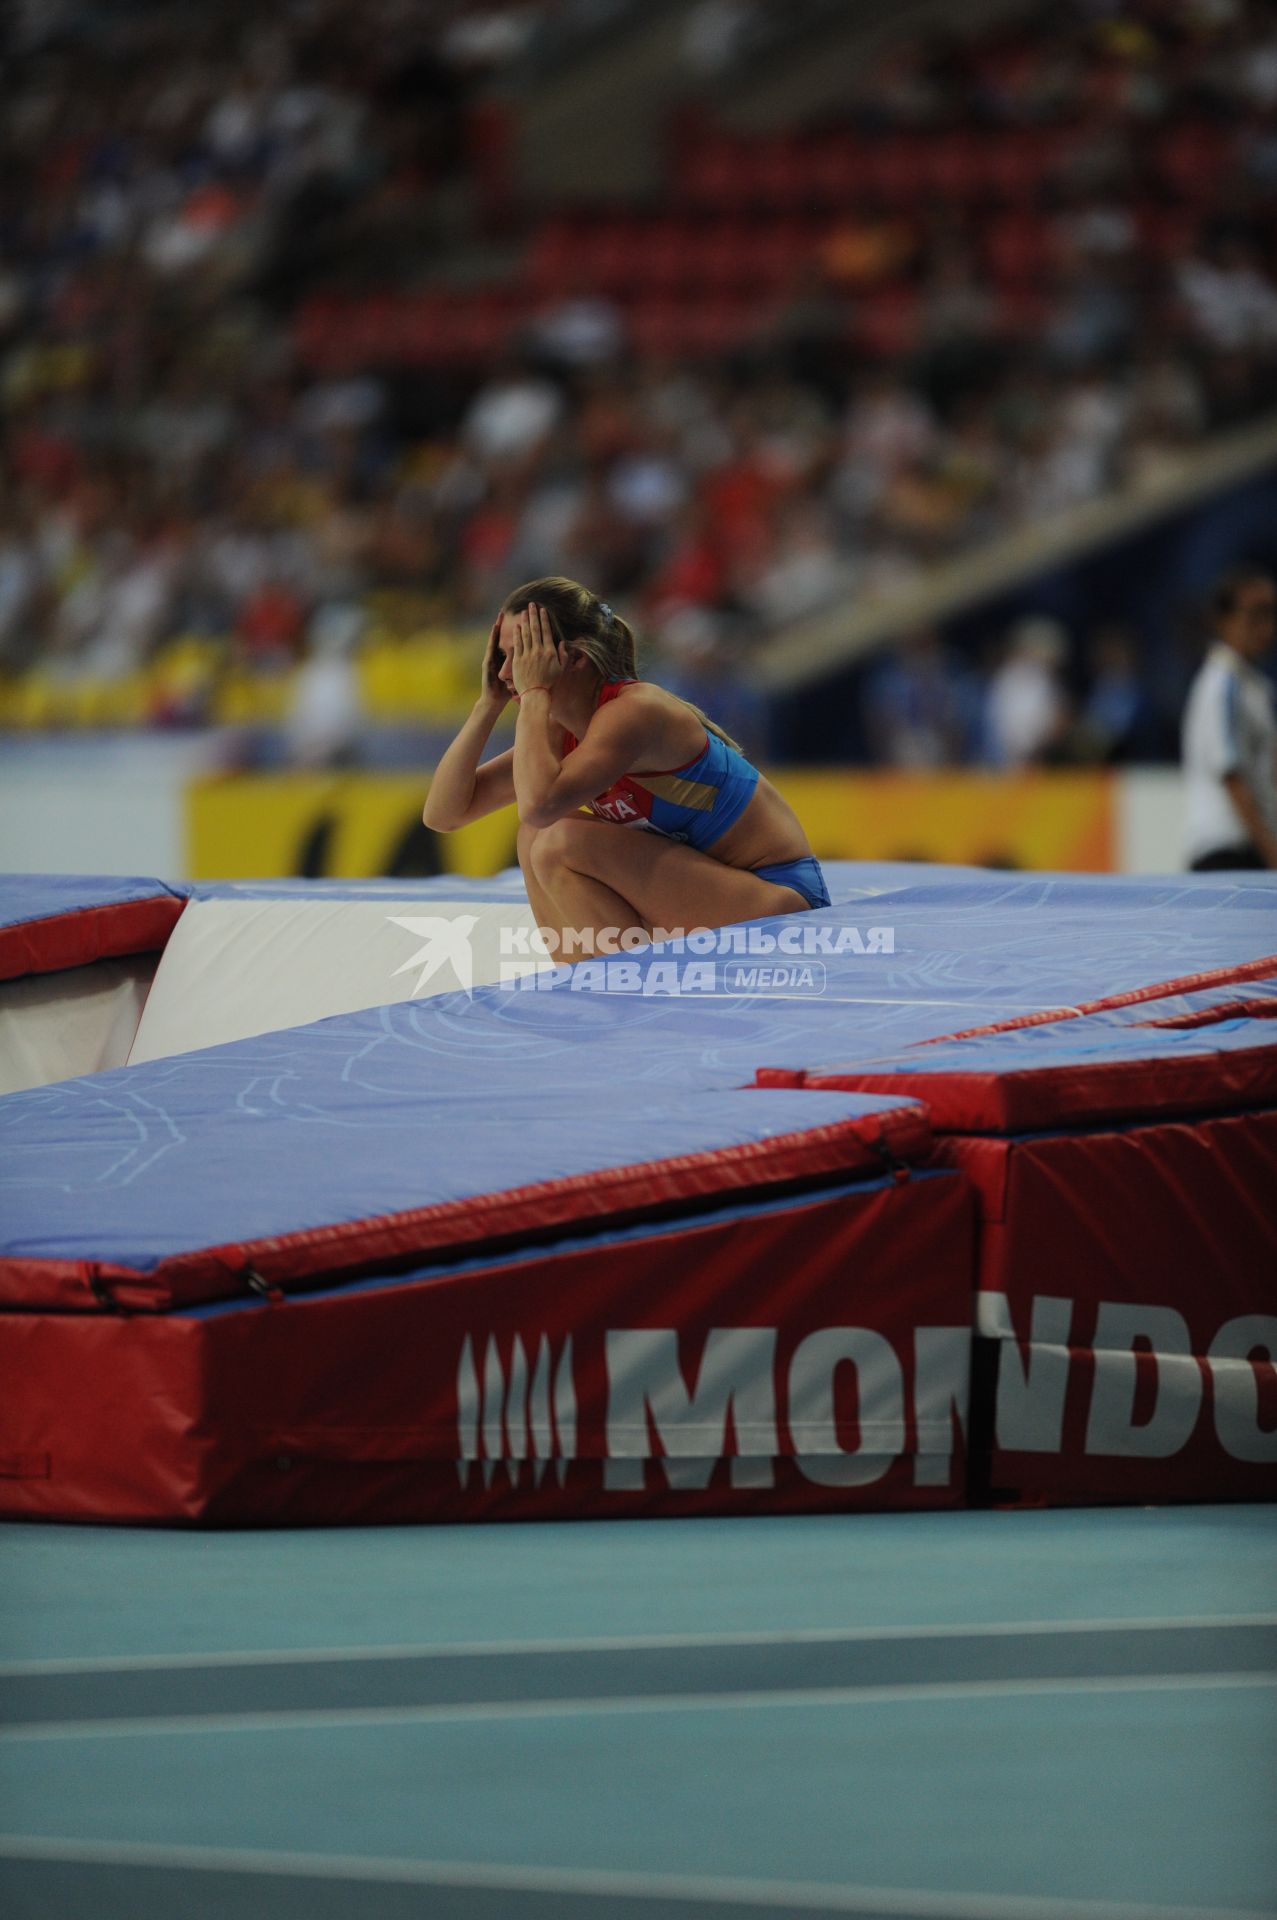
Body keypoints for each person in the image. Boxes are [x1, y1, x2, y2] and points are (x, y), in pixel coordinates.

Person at [422, 575, 830, 956]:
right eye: (501, 657)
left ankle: (629, 998)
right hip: (714, 894)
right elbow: (444, 814)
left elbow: (539, 804)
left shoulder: (635, 712)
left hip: (783, 904)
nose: (508, 672)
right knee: (535, 837)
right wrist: (486, 704)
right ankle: (584, 984)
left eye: (522, 654)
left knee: (558, 839)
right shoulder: (561, 730)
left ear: (574, 658)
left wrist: (533, 695)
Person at [1182, 569, 1277, 871]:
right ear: (1223, 621)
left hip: (1249, 844)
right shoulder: (1223, 684)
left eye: (1271, 614)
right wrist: (1271, 850)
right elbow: (1231, 774)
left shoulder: (1254, 686)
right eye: (1255, 615)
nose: (1265, 627)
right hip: (1227, 845)